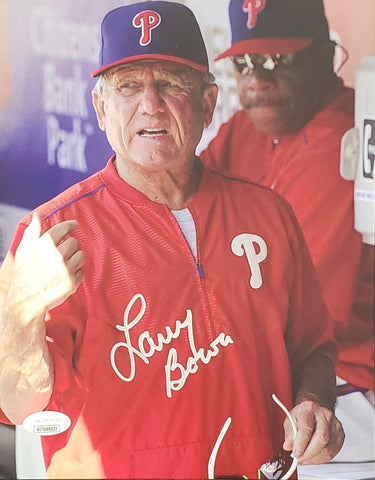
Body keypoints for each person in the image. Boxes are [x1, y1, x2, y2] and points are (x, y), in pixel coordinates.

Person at [0, 2, 344, 478]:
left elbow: (313, 349)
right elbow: (21, 407)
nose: (150, 104)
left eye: (169, 84)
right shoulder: (51, 235)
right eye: (128, 87)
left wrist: (314, 405)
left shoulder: (268, 215)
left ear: (206, 103)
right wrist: (17, 318)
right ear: (101, 110)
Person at [200, 0, 375, 464]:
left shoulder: (342, 139)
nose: (258, 79)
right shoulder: (248, 128)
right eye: (245, 62)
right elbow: (177, 210)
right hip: (289, 364)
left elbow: (301, 322)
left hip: (350, 381)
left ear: (325, 55)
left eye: (279, 59)